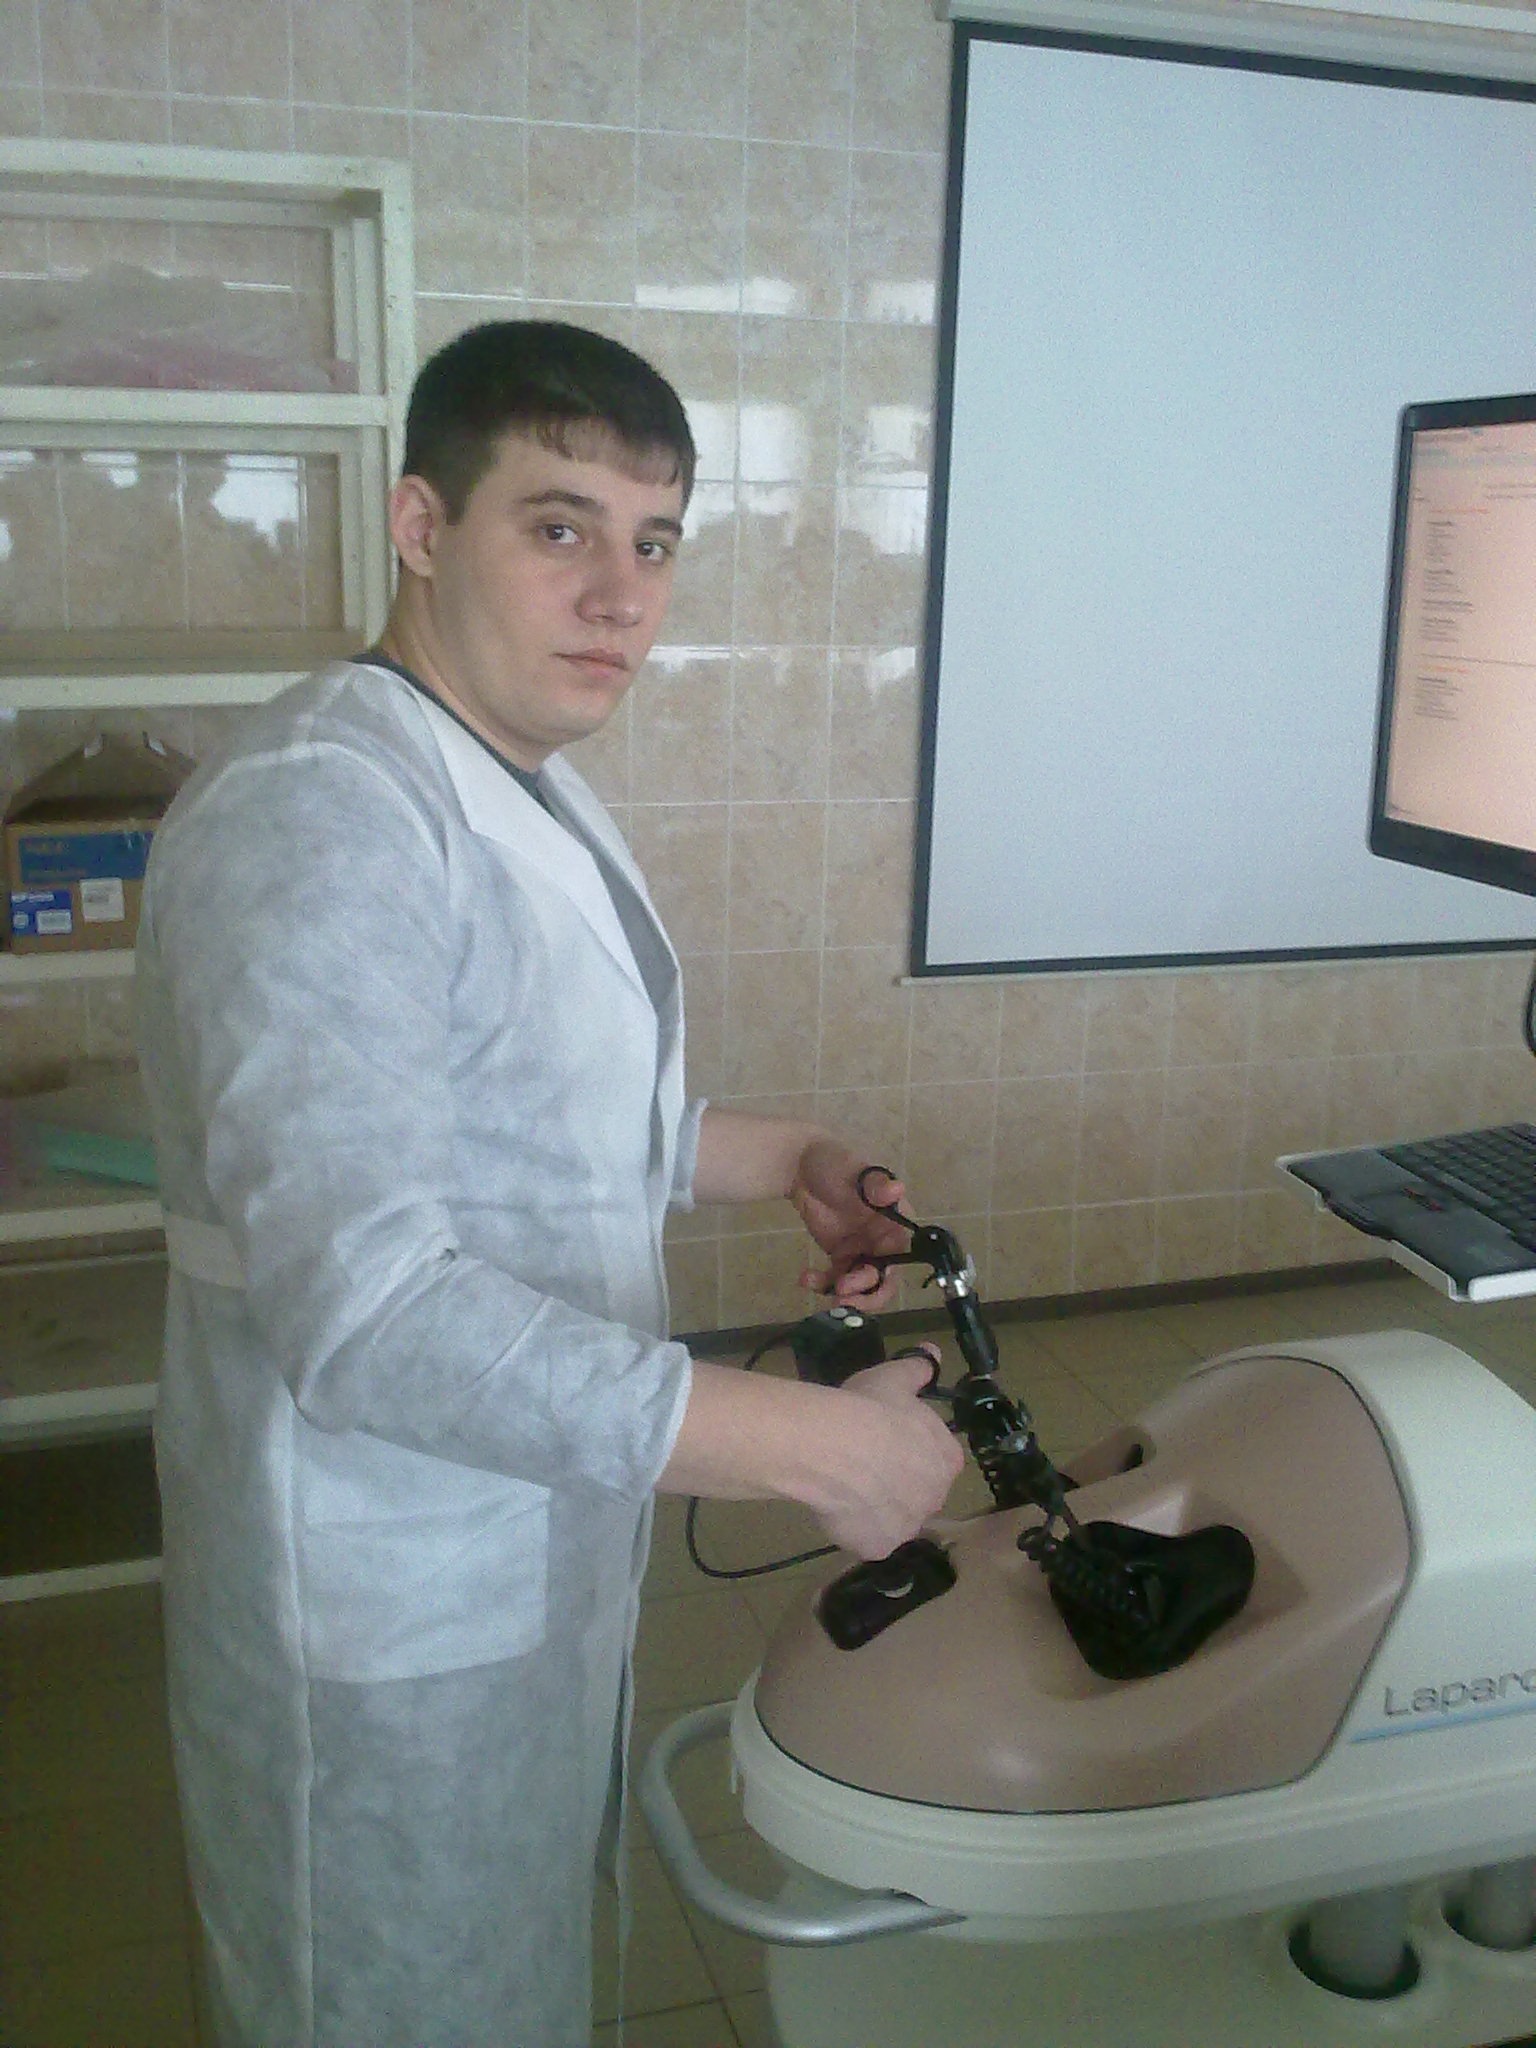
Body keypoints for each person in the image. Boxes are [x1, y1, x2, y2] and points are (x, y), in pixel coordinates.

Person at [135, 320, 962, 2048]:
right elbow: (367, 1308)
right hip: (383, 1559)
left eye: (654, 543)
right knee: (387, 1995)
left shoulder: (517, 781)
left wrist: (785, 1160)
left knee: (510, 1960)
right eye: (560, 526)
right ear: (422, 527)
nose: (620, 596)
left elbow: (537, 1119)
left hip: (522, 1524)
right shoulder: (326, 814)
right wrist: (815, 1445)